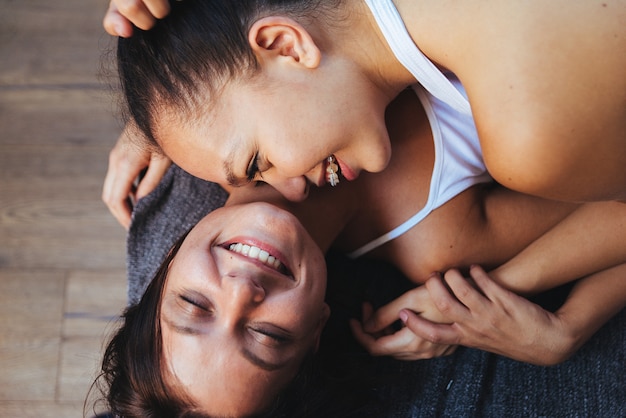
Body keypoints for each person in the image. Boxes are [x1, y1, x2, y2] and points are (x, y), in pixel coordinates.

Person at [93, 87, 626, 417]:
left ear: (165, 264)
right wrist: (550, 313)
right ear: (317, 328)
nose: (241, 290)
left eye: (195, 305)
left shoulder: (194, 113)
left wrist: (160, 97)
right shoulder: (440, 238)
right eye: (266, 333)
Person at [102, 0, 626, 230]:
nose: (291, 188)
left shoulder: (531, 137)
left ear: (285, 45)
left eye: (258, 161)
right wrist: (163, 86)